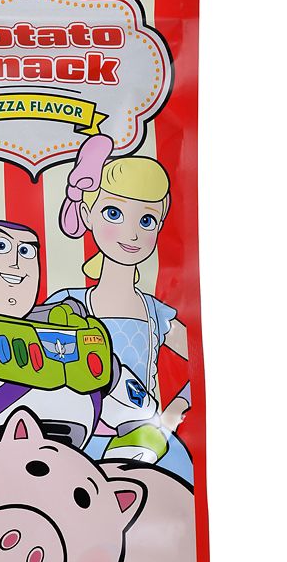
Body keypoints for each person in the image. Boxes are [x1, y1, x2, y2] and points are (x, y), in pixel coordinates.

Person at [49, 135, 192, 481]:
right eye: (113, 214)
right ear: (87, 214)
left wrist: (174, 411)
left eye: (146, 221)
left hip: (143, 446)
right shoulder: (67, 305)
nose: (131, 233)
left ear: (160, 226)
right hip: (74, 446)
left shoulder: (157, 314)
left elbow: (201, 359)